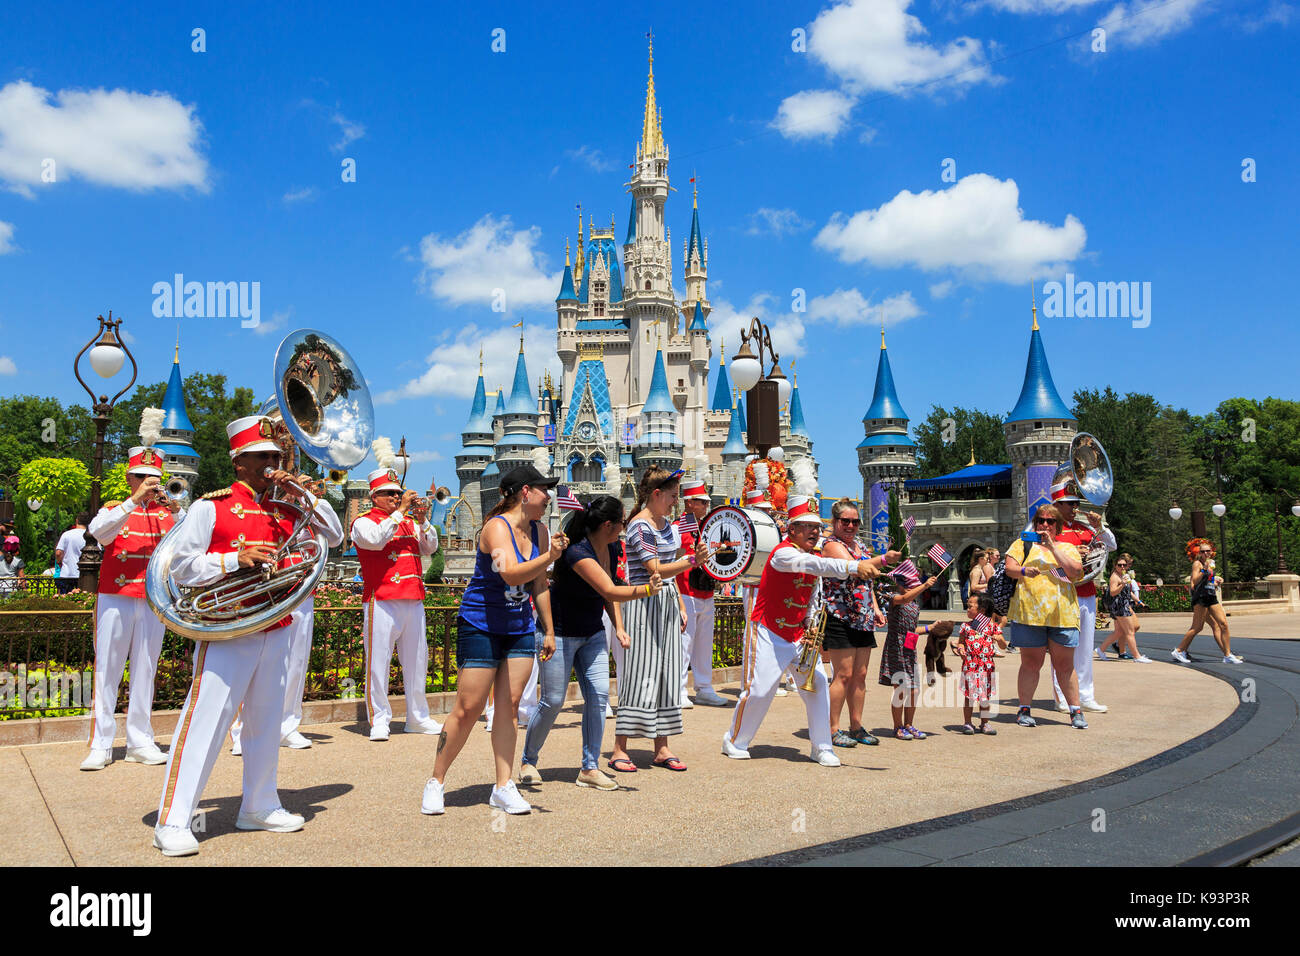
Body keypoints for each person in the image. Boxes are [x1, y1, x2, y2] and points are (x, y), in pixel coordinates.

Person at [152, 416, 342, 856]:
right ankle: (175, 818)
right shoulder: (210, 507)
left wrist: (305, 494)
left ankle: (259, 804)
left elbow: (332, 537)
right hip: (227, 627)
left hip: (274, 626)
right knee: (206, 721)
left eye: (277, 457)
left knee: (265, 721)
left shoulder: (287, 508)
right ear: (239, 463)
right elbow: (180, 568)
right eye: (263, 458)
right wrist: (234, 560)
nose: (273, 465)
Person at [422, 464, 564, 817]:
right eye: (544, 489)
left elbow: (539, 584)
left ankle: (503, 786)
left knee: (510, 706)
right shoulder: (495, 528)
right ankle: (436, 781)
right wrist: (549, 558)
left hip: (518, 627)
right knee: (469, 707)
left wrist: (547, 629)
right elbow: (510, 572)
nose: (549, 496)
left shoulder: (542, 531)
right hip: (481, 623)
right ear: (525, 492)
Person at [723, 495, 896, 766]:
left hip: (799, 635)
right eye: (806, 526)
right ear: (792, 529)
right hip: (768, 630)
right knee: (759, 690)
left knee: (817, 687)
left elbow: (812, 595)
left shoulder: (811, 555)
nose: (814, 532)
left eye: (816, 526)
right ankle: (735, 740)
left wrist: (810, 625)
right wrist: (854, 566)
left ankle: (822, 746)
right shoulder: (782, 553)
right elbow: (819, 566)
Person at [519, 495, 662, 791]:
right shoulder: (577, 552)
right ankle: (528, 760)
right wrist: (647, 589)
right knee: (553, 700)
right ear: (608, 524)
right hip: (558, 631)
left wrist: (619, 627)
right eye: (622, 521)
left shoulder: (610, 546)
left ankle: (589, 767)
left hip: (592, 632)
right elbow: (609, 587)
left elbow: (606, 594)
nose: (625, 525)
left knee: (598, 697)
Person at [81, 446, 186, 771]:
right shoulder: (115, 508)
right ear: (129, 477)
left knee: (146, 669)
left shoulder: (167, 514)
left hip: (152, 599)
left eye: (153, 478)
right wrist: (133, 500)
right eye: (140, 477)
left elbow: (188, 546)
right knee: (107, 670)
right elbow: (99, 533)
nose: (147, 484)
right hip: (116, 595)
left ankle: (140, 740)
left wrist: (179, 510)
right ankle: (101, 744)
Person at [230, 475, 345, 754]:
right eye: (291, 486)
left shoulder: (307, 513)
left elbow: (336, 535)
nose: (293, 491)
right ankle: (242, 730)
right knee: (255, 664)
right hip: (267, 593)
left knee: (296, 664)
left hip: (301, 594)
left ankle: (287, 726)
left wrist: (306, 494)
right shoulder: (265, 510)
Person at [607, 466, 702, 773]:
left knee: (667, 673)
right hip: (641, 602)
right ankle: (619, 749)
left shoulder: (666, 525)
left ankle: (661, 747)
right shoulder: (639, 525)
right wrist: (691, 562)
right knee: (639, 673)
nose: (676, 502)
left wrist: (681, 605)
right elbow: (655, 568)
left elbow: (668, 574)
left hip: (666, 602)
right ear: (657, 494)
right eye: (673, 496)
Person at [351, 467, 442, 741]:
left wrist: (424, 520)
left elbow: (431, 548)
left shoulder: (409, 522)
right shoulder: (363, 522)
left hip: (413, 598)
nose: (395, 496)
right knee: (378, 662)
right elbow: (376, 540)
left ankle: (418, 717)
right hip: (382, 598)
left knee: (417, 661)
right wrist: (400, 511)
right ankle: (379, 719)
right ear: (375, 496)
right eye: (389, 493)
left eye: (398, 493)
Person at [1004, 505, 1087, 730]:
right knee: (1031, 663)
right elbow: (1009, 568)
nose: (1045, 525)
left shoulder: (1067, 547)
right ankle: (1024, 710)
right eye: (1041, 520)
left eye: (1051, 522)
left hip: (1062, 615)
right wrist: (1022, 571)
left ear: (1057, 526)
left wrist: (1052, 547)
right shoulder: (1023, 544)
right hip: (1029, 614)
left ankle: (1075, 711)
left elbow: (1075, 571)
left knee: (1064, 665)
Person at [821, 497, 885, 747]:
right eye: (845, 521)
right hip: (840, 614)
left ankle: (856, 726)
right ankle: (832, 729)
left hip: (863, 615)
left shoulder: (861, 545)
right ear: (835, 522)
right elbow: (855, 568)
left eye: (855, 522)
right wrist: (885, 559)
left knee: (860, 674)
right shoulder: (830, 545)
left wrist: (876, 607)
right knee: (843, 674)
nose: (850, 526)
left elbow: (868, 581)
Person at [1048, 487, 1116, 714]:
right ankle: (1061, 697)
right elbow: (1041, 557)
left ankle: (1086, 696)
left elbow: (1111, 546)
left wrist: (1099, 527)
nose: (1075, 508)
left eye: (1076, 503)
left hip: (1086, 592)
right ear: (1057, 504)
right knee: (1062, 648)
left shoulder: (1084, 527)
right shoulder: (1048, 529)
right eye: (1070, 504)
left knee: (1085, 648)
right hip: (1062, 594)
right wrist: (1074, 553)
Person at [878, 563, 943, 740]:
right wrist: (925, 586)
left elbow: (912, 629)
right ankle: (897, 726)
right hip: (896, 645)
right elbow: (904, 599)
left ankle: (909, 724)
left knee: (914, 690)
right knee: (900, 688)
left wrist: (931, 628)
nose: (914, 584)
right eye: (910, 582)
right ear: (901, 583)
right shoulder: (893, 596)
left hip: (909, 645)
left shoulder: (914, 604)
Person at [675, 478, 725, 708]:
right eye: (701, 502)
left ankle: (704, 687)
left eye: (706, 502)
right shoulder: (677, 527)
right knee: (684, 643)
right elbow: (672, 560)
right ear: (689, 503)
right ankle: (679, 690)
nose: (706, 506)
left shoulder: (708, 528)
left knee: (704, 644)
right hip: (685, 591)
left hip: (705, 591)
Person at [1172, 539, 1241, 664]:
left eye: (1207, 551)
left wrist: (1215, 579)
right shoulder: (1197, 564)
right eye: (1203, 551)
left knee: (1223, 624)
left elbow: (1207, 580)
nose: (1205, 553)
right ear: (1199, 553)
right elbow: (1195, 581)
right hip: (1201, 598)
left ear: (1211, 552)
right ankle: (1179, 650)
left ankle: (1227, 655)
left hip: (1211, 596)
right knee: (1197, 627)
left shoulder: (1210, 563)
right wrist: (1204, 570)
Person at [953, 594, 1005, 734]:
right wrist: (961, 649)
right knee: (969, 696)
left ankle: (985, 723)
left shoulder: (992, 627)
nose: (967, 609)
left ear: (981, 610)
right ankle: (968, 723)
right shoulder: (966, 626)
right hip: (970, 664)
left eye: (970, 606)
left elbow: (1004, 645)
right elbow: (961, 642)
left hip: (986, 666)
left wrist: (999, 639)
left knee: (985, 696)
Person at [1097, 554, 1148, 663]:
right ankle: (1137, 656)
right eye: (1119, 565)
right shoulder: (1114, 577)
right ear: (1115, 566)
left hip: (1123, 605)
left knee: (1119, 632)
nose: (1122, 567)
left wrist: (1138, 601)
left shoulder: (1122, 575)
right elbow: (1113, 592)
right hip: (1120, 606)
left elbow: (1128, 592)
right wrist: (1123, 584)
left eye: (1124, 565)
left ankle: (1101, 650)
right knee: (1129, 632)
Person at [54, 513, 90, 594]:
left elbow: (58, 553)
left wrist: (59, 562)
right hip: (84, 576)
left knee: (65, 601)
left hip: (67, 574)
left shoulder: (67, 534)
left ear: (76, 521)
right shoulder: (91, 536)